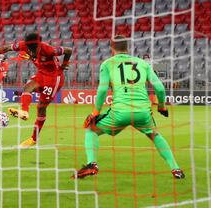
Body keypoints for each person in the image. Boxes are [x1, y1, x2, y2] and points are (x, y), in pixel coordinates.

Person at [72, 36, 185, 179]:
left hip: (120, 112)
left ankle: (91, 164)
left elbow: (101, 90)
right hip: (143, 112)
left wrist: (95, 112)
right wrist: (161, 106)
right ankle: (176, 169)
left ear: (112, 49)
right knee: (155, 135)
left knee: (90, 129)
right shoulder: (142, 63)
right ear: (128, 47)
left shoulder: (107, 64)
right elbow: (160, 88)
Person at [0, 33, 72, 148]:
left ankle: (33, 139)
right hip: (42, 74)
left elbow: (68, 50)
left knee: (41, 107)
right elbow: (7, 48)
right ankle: (24, 111)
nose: (32, 52)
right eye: (29, 49)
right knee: (27, 87)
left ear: (39, 45)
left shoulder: (49, 50)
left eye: (34, 49)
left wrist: (64, 65)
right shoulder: (23, 45)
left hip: (54, 78)